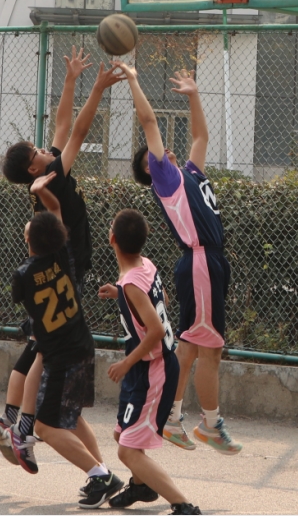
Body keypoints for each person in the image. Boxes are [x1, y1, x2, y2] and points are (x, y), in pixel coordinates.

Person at [0, 49, 126, 472]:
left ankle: (11, 418)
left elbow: (62, 125)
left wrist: (70, 80)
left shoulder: (45, 174)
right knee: (44, 349)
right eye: (36, 152)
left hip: (52, 269)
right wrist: (97, 88)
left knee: (36, 345)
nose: (44, 149)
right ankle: (21, 425)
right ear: (34, 169)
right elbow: (79, 129)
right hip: (70, 269)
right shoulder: (56, 178)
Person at [118, 62, 242, 456]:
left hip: (209, 263)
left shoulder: (189, 173)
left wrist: (194, 95)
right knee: (211, 350)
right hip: (201, 262)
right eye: (153, 157)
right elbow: (149, 121)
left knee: (190, 347)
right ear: (151, 170)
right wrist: (134, 80)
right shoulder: (166, 179)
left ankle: (172, 418)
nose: (164, 151)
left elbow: (201, 135)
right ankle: (210, 424)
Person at [8, 171, 124, 508]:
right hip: (81, 346)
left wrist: (37, 192)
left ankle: (100, 476)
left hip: (62, 358)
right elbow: (56, 214)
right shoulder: (64, 255)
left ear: (29, 240)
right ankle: (101, 472)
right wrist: (43, 192)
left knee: (46, 427)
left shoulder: (22, 276)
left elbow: (50, 224)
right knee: (71, 418)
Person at [98, 209, 202, 515]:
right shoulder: (145, 266)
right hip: (145, 369)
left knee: (128, 450)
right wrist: (121, 294)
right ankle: (141, 486)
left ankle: (184, 506)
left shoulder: (131, 282)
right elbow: (162, 301)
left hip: (154, 370)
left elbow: (155, 330)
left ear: (112, 239)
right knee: (122, 434)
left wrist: (126, 363)